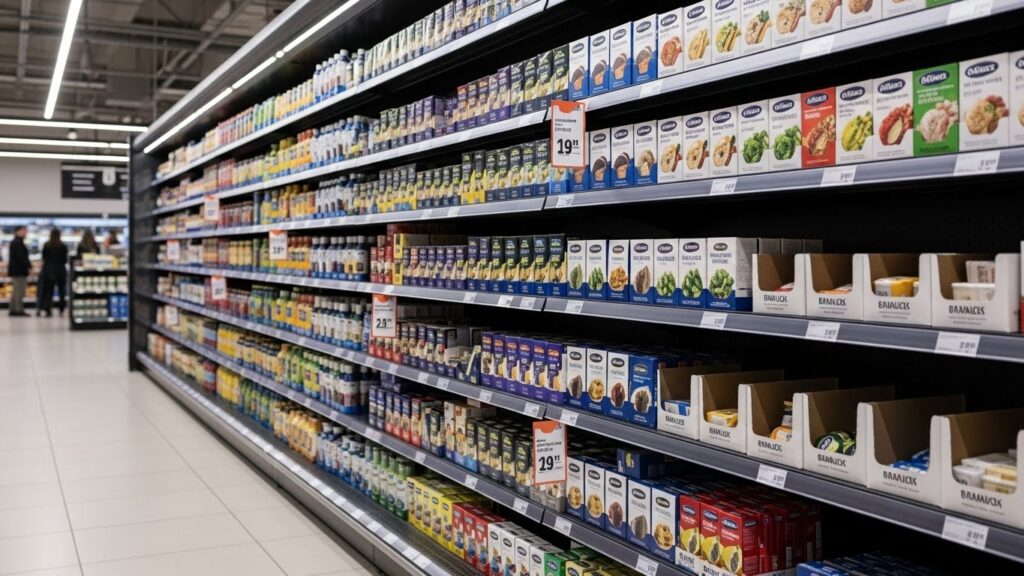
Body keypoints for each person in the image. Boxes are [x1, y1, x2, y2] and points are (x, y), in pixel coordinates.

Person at [38, 228, 68, 317]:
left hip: (48, 271)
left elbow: (44, 258)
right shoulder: (63, 246)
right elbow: (64, 260)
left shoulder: (46, 245)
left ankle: (48, 309)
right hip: (60, 271)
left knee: (48, 291)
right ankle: (61, 309)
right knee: (62, 291)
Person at [7, 226, 30, 317]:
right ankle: (18, 310)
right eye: (24, 231)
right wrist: (29, 265)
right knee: (19, 291)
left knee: (16, 291)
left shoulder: (16, 242)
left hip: (16, 270)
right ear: (18, 231)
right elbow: (21, 257)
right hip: (19, 271)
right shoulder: (17, 243)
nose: (25, 233)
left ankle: (13, 309)